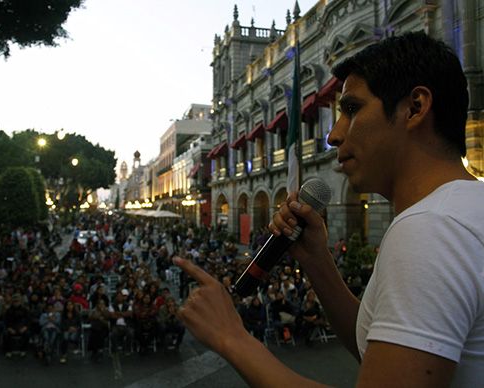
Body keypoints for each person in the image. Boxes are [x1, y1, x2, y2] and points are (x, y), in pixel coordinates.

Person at [173, 31, 484, 387]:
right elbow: (378, 351)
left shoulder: (430, 229)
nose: (333, 135)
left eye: (351, 109)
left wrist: (233, 338)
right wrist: (319, 263)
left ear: (415, 108)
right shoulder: (464, 209)